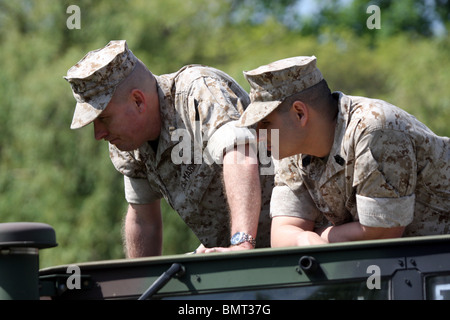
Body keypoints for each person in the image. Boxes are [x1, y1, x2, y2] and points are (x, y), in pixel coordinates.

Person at [64, 40, 273, 257]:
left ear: (138, 101)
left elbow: (240, 157)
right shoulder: (127, 143)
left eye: (104, 119)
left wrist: (241, 244)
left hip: (292, 246)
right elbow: (143, 220)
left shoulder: (197, 92)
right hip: (239, 262)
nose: (99, 134)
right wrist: (142, 286)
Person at [237, 56, 450, 247]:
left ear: (300, 113)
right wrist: (302, 238)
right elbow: (282, 236)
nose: (259, 135)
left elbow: (383, 232)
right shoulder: (291, 148)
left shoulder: (374, 129)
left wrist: (318, 236)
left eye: (265, 122)